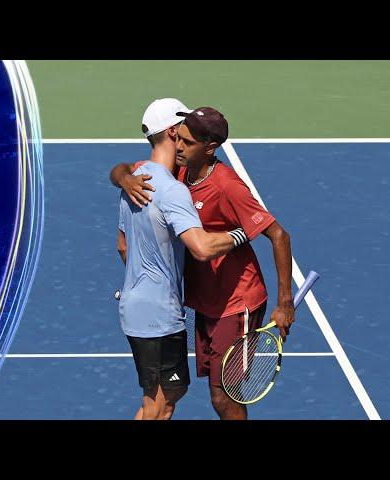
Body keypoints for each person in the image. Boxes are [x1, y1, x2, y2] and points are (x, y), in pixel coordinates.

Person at [111, 106, 294, 420]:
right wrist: (125, 179)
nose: (179, 147)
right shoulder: (179, 171)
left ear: (210, 147)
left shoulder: (227, 186)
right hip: (206, 304)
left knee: (224, 396)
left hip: (237, 302)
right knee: (197, 394)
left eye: (187, 143)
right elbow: (122, 168)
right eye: (178, 139)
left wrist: (285, 302)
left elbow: (279, 235)